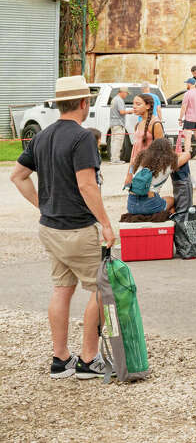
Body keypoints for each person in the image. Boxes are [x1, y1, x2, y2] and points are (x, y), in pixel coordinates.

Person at [9, 75, 116, 379]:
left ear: (59, 105)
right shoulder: (82, 138)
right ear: (85, 103)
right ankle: (87, 359)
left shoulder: (41, 136)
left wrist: (42, 205)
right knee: (100, 290)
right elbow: (87, 185)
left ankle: (60, 359)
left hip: (50, 227)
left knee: (62, 288)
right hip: (77, 229)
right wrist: (106, 224)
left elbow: (17, 176)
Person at [124, 137, 187, 215]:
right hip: (150, 205)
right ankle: (168, 221)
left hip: (131, 205)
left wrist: (130, 172)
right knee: (173, 200)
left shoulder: (140, 160)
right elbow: (187, 155)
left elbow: (132, 162)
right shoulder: (168, 165)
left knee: (160, 199)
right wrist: (173, 154)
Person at [179, 77, 196, 158]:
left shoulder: (188, 93)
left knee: (188, 137)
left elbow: (184, 107)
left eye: (187, 83)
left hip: (190, 118)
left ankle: (186, 155)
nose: (186, 84)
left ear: (189, 84)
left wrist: (180, 118)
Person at [108, 86, 130, 164]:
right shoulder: (119, 100)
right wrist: (130, 111)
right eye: (126, 93)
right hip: (118, 124)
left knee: (113, 142)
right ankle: (116, 159)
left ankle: (113, 158)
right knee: (118, 142)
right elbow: (122, 112)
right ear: (122, 92)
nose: (126, 95)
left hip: (113, 124)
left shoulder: (114, 99)